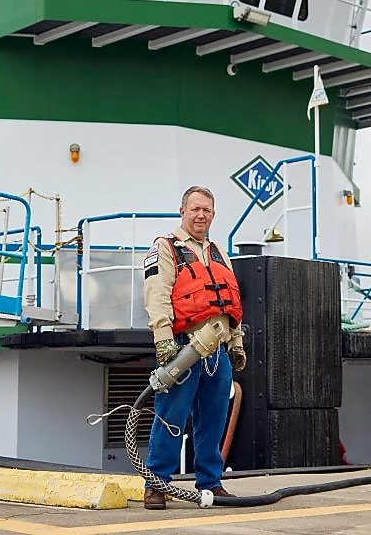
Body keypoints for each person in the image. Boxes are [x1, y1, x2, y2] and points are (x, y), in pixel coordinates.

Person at [140, 185, 246, 510]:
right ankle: (156, 485)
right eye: (195, 209)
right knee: (171, 416)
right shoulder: (165, 247)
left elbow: (231, 301)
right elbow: (157, 295)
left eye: (207, 210)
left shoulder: (218, 253)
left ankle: (211, 482)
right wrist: (163, 342)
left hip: (217, 350)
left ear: (213, 215)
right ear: (182, 211)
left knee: (213, 420)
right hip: (183, 348)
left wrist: (236, 342)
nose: (201, 215)